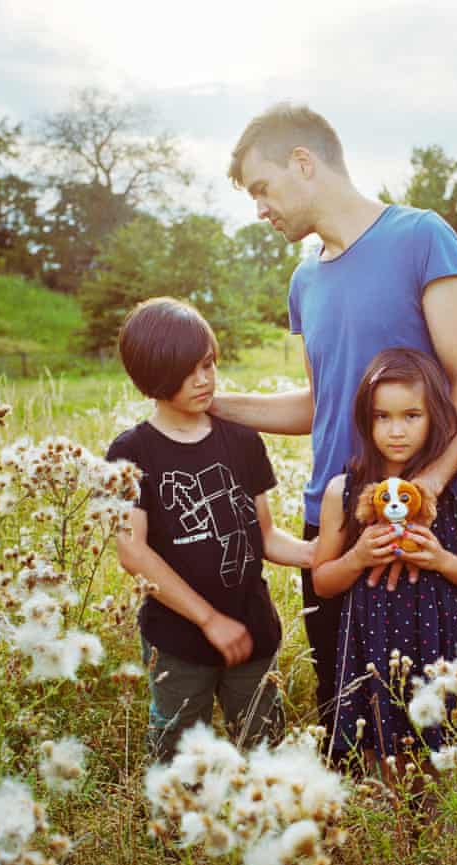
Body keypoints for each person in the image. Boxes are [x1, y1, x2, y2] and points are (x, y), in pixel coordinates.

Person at [214, 102, 457, 738]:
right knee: (349, 715)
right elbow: (319, 407)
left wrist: (432, 491)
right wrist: (215, 403)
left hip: (422, 517)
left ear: (304, 162)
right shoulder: (303, 279)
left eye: (263, 187)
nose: (260, 208)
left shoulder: (423, 237)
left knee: (434, 722)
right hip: (333, 521)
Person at [106, 297, 314, 761]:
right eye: (186, 370)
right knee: (179, 751)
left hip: (251, 626)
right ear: (152, 375)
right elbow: (132, 553)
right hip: (177, 641)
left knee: (264, 746)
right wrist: (208, 620)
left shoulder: (241, 440)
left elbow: (265, 535)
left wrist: (316, 554)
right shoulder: (131, 452)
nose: (203, 380)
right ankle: (177, 831)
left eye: (207, 364)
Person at [311, 348, 457, 767]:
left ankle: (439, 833)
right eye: (382, 417)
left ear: (436, 416)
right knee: (382, 759)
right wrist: (357, 557)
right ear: (366, 419)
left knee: (442, 763)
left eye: (411, 416)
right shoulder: (344, 491)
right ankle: (394, 833)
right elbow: (322, 582)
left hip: (441, 647)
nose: (396, 431)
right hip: (371, 650)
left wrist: (441, 560)